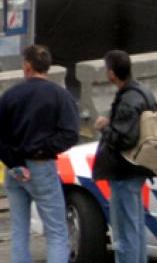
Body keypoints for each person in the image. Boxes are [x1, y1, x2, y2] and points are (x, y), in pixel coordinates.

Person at [0, 45, 79, 263]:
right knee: (56, 233)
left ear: (27, 67)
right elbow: (71, 134)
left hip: (14, 169)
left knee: (19, 230)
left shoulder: (10, 95)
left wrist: (15, 161)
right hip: (42, 165)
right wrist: (42, 148)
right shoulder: (60, 95)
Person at [92, 50, 157, 263]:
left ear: (112, 73)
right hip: (138, 168)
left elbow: (123, 139)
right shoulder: (143, 92)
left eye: (106, 68)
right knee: (135, 228)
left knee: (124, 234)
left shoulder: (128, 100)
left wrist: (105, 127)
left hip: (124, 172)